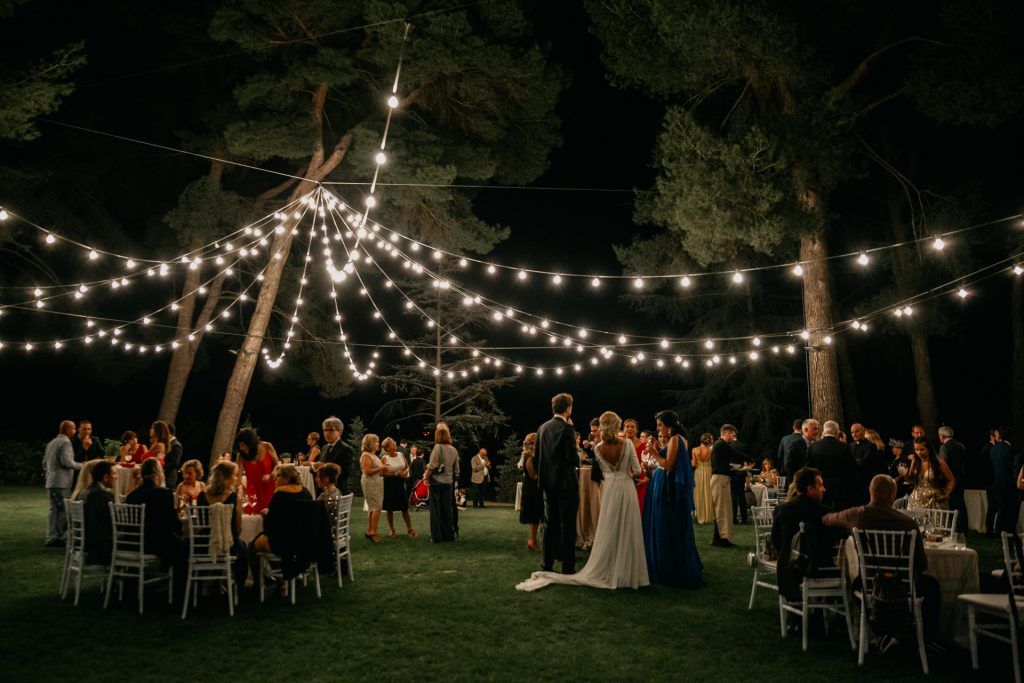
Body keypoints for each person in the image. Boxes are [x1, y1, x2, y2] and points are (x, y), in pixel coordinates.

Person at [517, 411, 650, 591]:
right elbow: (635, 469)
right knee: (628, 527)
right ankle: (628, 572)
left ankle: (608, 567)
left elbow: (602, 471)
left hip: (610, 489)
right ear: (617, 426)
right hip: (626, 488)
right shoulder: (627, 444)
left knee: (609, 527)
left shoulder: (598, 448)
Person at [822, 474, 941, 646]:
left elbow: (827, 519)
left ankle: (879, 630)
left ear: (870, 492)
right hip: (904, 586)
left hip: (870, 584)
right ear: (893, 494)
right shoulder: (908, 523)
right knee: (931, 586)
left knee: (854, 584)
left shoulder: (856, 515)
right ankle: (923, 639)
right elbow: (921, 564)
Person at [643, 410, 704, 587]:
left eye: (660, 425)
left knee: (665, 524)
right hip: (660, 482)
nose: (658, 428)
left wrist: (653, 453)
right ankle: (664, 563)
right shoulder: (674, 440)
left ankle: (668, 565)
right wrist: (655, 448)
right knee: (663, 523)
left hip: (666, 484)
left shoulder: (677, 439)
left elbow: (669, 465)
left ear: (669, 424)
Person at [771, 467, 841, 602]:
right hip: (817, 571)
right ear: (810, 489)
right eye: (820, 485)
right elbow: (833, 542)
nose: (824, 489)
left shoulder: (782, 509)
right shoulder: (824, 512)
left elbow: (776, 540)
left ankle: (795, 616)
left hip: (787, 571)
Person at [534, 393, 580, 574]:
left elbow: (537, 457)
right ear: (568, 409)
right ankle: (568, 567)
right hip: (567, 485)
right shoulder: (567, 429)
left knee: (549, 525)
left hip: (548, 484)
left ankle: (547, 564)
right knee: (567, 527)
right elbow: (571, 458)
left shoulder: (542, 428)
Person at [249, 465, 315, 579]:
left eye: (278, 476)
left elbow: (270, 525)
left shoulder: (280, 494)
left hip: (284, 543)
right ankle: (283, 577)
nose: (275, 479)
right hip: (305, 542)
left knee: (251, 545)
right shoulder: (306, 492)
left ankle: (260, 583)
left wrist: (267, 514)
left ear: (287, 478)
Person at [125, 459, 183, 569]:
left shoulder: (132, 496)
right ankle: (178, 585)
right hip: (156, 545)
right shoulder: (164, 493)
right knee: (184, 547)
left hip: (133, 544)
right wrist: (181, 530)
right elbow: (173, 523)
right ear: (157, 473)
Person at [197, 460, 247, 585]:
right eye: (234, 475)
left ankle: (202, 586)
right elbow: (237, 530)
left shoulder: (202, 496)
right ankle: (239, 587)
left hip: (203, 545)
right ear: (226, 478)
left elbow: (201, 524)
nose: (236, 478)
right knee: (243, 547)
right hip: (227, 545)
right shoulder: (235, 497)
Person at [43, 420, 82, 547]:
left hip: (51, 481)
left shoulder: (52, 442)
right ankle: (56, 538)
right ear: (67, 430)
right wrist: (83, 466)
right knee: (65, 511)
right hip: (62, 483)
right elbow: (67, 462)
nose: (75, 430)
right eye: (74, 428)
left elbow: (44, 463)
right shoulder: (65, 442)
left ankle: (51, 537)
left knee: (53, 511)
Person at [807, 420, 854, 510]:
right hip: (841, 487)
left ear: (824, 432)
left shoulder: (813, 446)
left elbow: (809, 467)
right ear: (836, 432)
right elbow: (851, 467)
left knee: (822, 511)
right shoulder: (844, 447)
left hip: (820, 486)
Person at [424, 425, 460, 543]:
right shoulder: (454, 449)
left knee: (436, 510)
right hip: (448, 482)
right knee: (447, 510)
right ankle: (449, 534)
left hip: (437, 482)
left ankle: (436, 536)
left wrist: (425, 477)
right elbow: (457, 469)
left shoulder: (438, 447)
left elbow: (433, 465)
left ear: (438, 436)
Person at [236, 428, 279, 514]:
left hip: (270, 488)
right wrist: (238, 488)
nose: (241, 448)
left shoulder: (267, 446)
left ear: (251, 443)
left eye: (243, 445)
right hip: (253, 493)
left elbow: (277, 464)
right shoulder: (241, 456)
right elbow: (238, 476)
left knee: (271, 516)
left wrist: (272, 473)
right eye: (239, 445)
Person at [907, 437, 955, 510]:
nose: (919, 452)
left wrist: (946, 494)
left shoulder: (939, 462)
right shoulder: (916, 462)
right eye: (916, 450)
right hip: (916, 501)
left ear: (929, 449)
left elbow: (951, 480)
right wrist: (911, 465)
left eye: (922, 449)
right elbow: (910, 480)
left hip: (934, 501)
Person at [380, 437, 415, 538]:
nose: (394, 444)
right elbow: (384, 473)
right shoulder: (384, 458)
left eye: (394, 442)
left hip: (400, 484)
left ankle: (410, 529)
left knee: (404, 507)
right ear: (387, 448)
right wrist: (396, 474)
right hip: (389, 484)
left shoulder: (401, 454)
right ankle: (392, 530)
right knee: (389, 508)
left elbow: (407, 466)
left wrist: (406, 472)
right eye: (391, 444)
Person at [82, 461, 116, 565]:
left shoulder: (85, 491)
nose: (116, 477)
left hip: (86, 542)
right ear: (106, 477)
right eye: (114, 474)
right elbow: (113, 522)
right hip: (100, 547)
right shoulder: (100, 495)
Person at [710, 424, 738, 548]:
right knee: (722, 510)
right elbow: (735, 454)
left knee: (723, 510)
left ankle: (719, 538)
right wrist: (748, 459)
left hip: (721, 479)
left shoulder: (719, 445)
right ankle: (721, 539)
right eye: (733, 434)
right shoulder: (721, 445)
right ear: (726, 433)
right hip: (720, 480)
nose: (734, 437)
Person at [937, 426, 968, 533]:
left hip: (949, 480)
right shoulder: (961, 446)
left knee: (949, 504)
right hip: (961, 479)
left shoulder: (944, 447)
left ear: (942, 436)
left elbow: (943, 464)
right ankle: (963, 528)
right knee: (960, 503)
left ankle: (950, 527)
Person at [518, 433, 543, 552]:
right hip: (533, 488)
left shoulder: (531, 455)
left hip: (533, 488)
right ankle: (532, 542)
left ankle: (534, 541)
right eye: (533, 443)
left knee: (536, 517)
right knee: (534, 517)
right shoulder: (529, 456)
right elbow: (534, 475)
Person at [359, 434, 385, 542]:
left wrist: (382, 467)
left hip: (376, 482)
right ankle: (373, 533)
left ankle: (370, 531)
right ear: (371, 444)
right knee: (376, 508)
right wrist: (381, 467)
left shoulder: (372, 454)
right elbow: (367, 471)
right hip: (370, 483)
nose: (378, 444)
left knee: (372, 508)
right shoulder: (366, 455)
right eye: (376, 442)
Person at [317, 416, 353, 495]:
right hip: (323, 491)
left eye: (331, 430)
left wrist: (325, 467)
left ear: (339, 432)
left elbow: (345, 473)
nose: (327, 433)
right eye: (325, 430)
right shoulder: (324, 447)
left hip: (337, 491)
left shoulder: (345, 449)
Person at [623, 419, 649, 513]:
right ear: (623, 429)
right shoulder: (620, 445)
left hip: (639, 481)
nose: (629, 429)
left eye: (632, 427)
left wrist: (646, 479)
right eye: (627, 427)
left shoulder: (644, 446)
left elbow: (649, 466)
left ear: (636, 430)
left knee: (638, 509)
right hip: (624, 480)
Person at [71, 420, 104, 487]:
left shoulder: (95, 440)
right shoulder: (72, 441)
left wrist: (92, 462)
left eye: (89, 429)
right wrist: (84, 448)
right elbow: (73, 458)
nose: (87, 431)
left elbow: (101, 455)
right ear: (79, 429)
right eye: (84, 429)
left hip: (92, 471)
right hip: (77, 473)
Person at [691, 433, 714, 523]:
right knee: (709, 493)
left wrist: (689, 461)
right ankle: (709, 516)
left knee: (699, 493)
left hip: (699, 472)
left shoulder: (695, 450)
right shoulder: (711, 450)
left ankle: (700, 516)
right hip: (708, 471)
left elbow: (693, 464)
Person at [165, 423, 183, 491]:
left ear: (168, 432)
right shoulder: (167, 443)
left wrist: (162, 466)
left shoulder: (176, 445)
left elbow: (175, 463)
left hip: (169, 477)